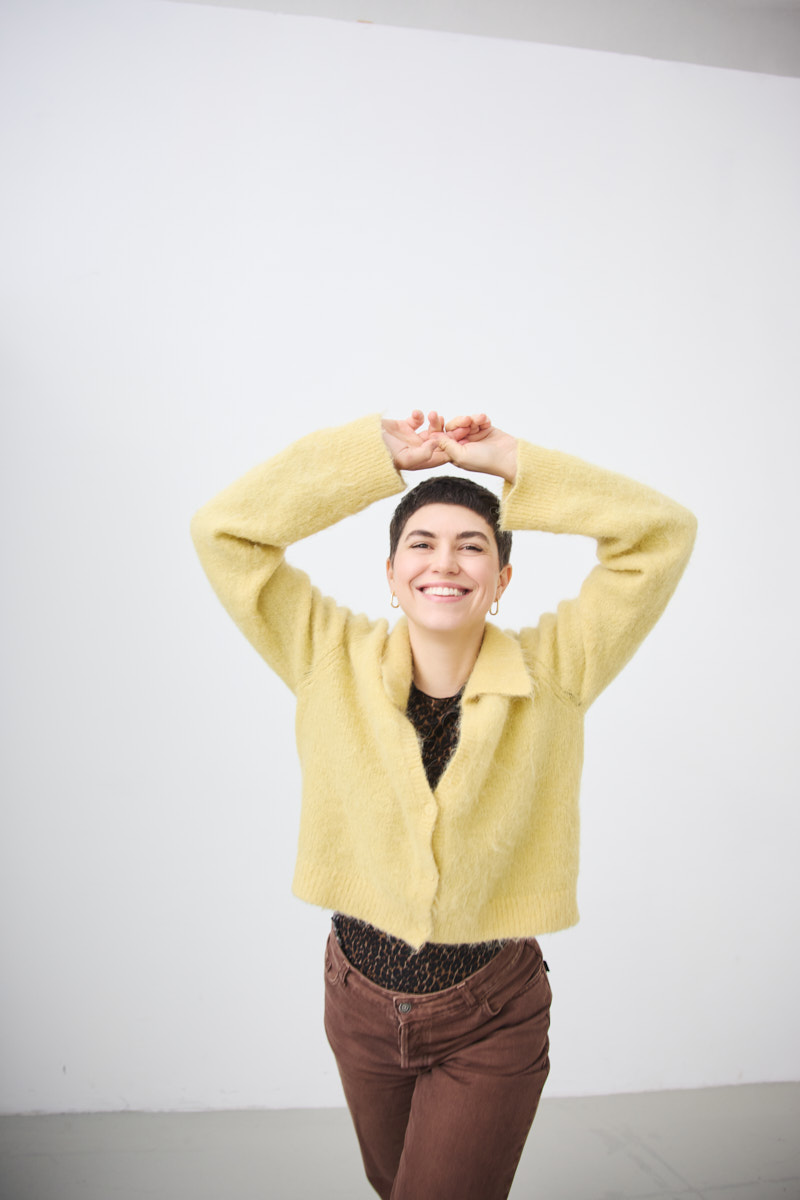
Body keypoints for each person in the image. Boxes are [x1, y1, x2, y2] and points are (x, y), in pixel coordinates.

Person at [191, 410, 696, 1200]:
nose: (445, 563)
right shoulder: (327, 656)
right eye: (422, 544)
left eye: (473, 546)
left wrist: (514, 461)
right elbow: (226, 534)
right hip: (356, 1005)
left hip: (491, 1013)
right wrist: (368, 459)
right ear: (392, 574)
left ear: (502, 581)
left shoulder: (557, 670)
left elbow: (660, 534)